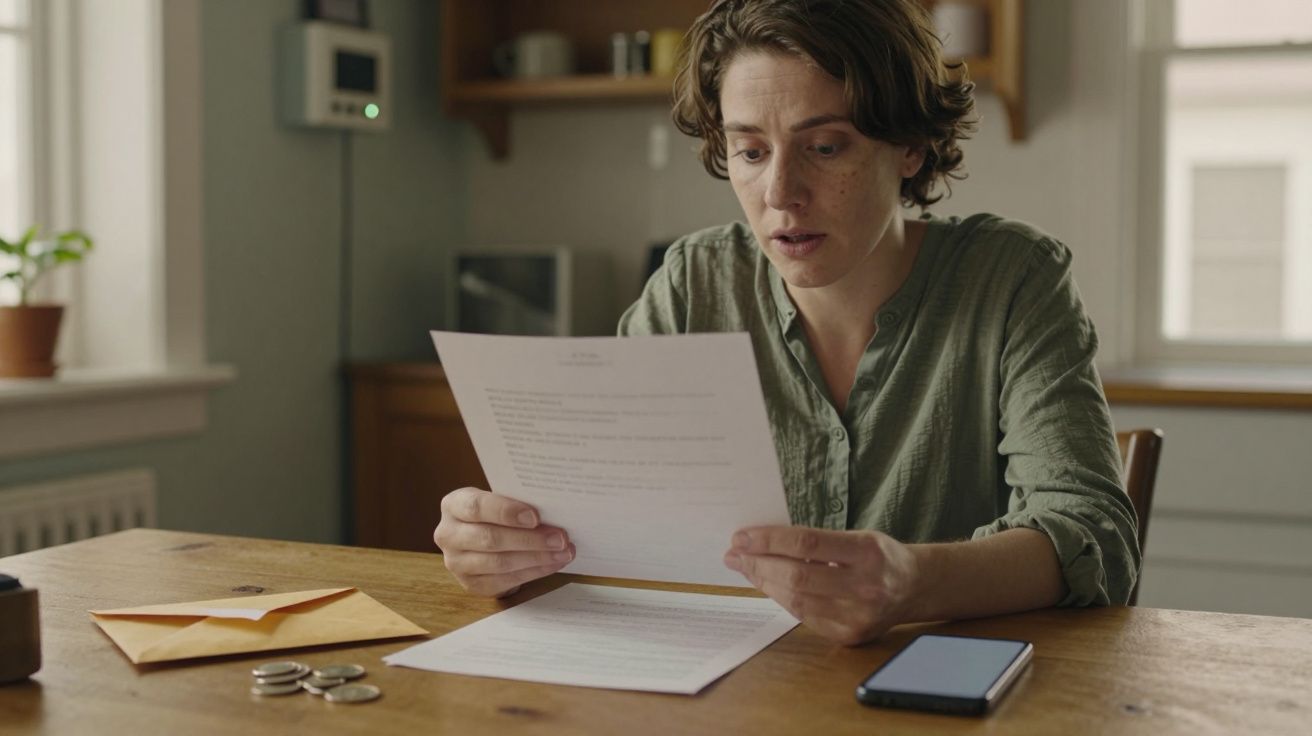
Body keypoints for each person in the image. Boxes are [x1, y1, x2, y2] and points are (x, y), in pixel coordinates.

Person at [433, 0, 1139, 646]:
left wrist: (911, 582)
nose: (779, 193)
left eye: (825, 147)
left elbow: (1092, 535)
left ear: (911, 147)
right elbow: (606, 515)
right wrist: (506, 543)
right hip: (732, 689)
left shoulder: (1013, 279)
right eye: (750, 150)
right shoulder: (692, 284)